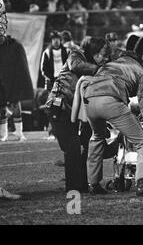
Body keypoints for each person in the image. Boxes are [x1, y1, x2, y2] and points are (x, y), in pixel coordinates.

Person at [80, 35, 143, 196]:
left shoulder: (111, 64)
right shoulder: (141, 71)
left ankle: (93, 183)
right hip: (110, 101)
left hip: (89, 100)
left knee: (96, 138)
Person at [45, 37, 109, 192]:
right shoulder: (76, 55)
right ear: (93, 52)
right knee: (72, 146)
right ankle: (74, 187)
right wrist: (99, 69)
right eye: (102, 54)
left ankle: (89, 183)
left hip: (79, 112)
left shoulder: (97, 65)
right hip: (59, 107)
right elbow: (76, 65)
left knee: (90, 144)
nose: (104, 58)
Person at [0, 0, 34, 142]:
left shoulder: (13, 46)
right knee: (0, 104)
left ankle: (19, 132)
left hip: (9, 72)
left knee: (15, 101)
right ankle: (3, 133)